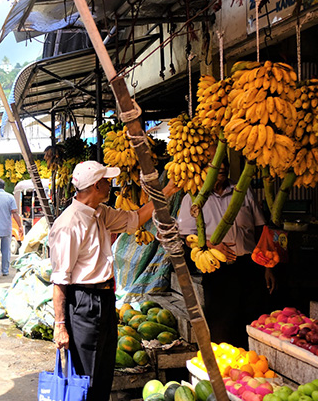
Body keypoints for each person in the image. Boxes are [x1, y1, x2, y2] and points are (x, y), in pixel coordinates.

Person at [49, 161, 178, 401]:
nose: (112, 185)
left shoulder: (100, 212)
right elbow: (59, 281)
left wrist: (168, 190)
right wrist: (60, 326)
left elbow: (136, 218)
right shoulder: (69, 224)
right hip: (84, 303)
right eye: (107, 181)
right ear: (97, 185)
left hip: (105, 299)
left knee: (105, 368)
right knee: (88, 375)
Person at [177, 160, 273, 349]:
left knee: (253, 323)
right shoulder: (194, 196)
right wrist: (211, 245)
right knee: (222, 328)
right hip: (218, 272)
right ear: (204, 167)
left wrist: (268, 268)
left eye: (225, 163)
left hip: (249, 267)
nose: (222, 167)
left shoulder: (242, 190)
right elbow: (186, 235)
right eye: (214, 163)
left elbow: (261, 229)